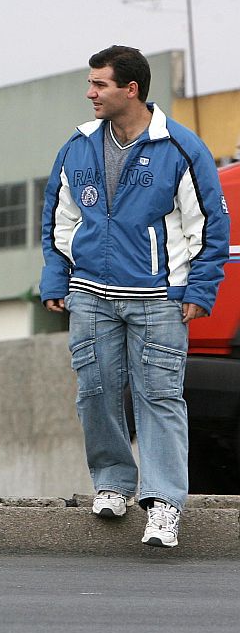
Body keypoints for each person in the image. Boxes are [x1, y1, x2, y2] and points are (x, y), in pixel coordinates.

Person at [40, 46, 229, 547]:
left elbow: (209, 225)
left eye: (99, 84)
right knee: (95, 393)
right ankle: (112, 483)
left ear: (132, 89)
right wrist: (56, 278)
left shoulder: (180, 148)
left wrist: (200, 287)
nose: (90, 92)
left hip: (158, 298)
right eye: (90, 82)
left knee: (160, 398)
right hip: (90, 295)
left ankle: (164, 503)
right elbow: (58, 221)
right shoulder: (76, 148)